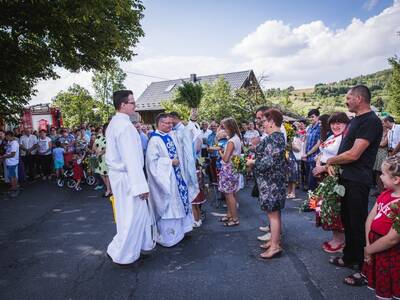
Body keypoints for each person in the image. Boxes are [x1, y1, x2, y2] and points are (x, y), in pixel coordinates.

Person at [314, 85, 383, 284]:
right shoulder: (356, 120)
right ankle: (351, 257)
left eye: (348, 97)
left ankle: (363, 269)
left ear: (359, 98)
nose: (346, 101)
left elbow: (354, 154)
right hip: (347, 178)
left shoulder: (371, 121)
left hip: (358, 179)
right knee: (348, 221)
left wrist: (330, 162)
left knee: (357, 223)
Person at [105, 90, 155, 265]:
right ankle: (123, 254)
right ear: (123, 105)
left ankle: (142, 245)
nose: (135, 105)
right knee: (132, 216)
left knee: (133, 214)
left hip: (121, 176)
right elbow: (131, 159)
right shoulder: (125, 127)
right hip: (128, 178)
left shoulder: (115, 123)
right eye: (132, 102)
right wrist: (141, 187)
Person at [146, 113, 193, 247]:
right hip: (167, 179)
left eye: (171, 123)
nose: (170, 125)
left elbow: (186, 137)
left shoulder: (171, 135)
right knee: (170, 206)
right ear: (159, 124)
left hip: (178, 177)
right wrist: (170, 162)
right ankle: (169, 238)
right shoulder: (154, 140)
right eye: (166, 123)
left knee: (180, 202)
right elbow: (152, 163)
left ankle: (182, 231)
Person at [358, 155, 400, 295]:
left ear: (396, 179)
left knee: (390, 286)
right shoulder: (385, 193)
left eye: (383, 174)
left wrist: (369, 250)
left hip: (389, 252)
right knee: (379, 283)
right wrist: (368, 245)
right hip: (374, 246)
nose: (380, 177)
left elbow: (392, 239)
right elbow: (370, 219)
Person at [247, 109, 286, 259]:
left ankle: (275, 246)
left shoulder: (274, 138)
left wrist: (253, 162)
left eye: (264, 121)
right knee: (274, 214)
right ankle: (274, 240)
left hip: (272, 182)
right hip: (271, 181)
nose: (262, 124)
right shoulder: (275, 137)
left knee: (273, 215)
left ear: (271, 122)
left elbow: (269, 161)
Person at [312, 112, 350, 253]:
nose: (336, 125)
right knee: (325, 208)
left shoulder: (345, 138)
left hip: (334, 177)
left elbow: (342, 159)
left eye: (339, 122)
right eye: (333, 123)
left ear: (346, 124)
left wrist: (323, 167)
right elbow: (323, 152)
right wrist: (318, 161)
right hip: (324, 177)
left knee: (334, 209)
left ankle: (340, 240)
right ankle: (336, 238)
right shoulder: (331, 137)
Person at [169, 112, 201, 227]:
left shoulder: (184, 130)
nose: (169, 123)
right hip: (181, 167)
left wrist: (190, 171)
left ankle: (196, 219)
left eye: (170, 120)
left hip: (186, 168)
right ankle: (190, 218)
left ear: (174, 118)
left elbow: (188, 152)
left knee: (190, 194)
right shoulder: (177, 130)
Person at [217, 117, 242, 227]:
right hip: (234, 168)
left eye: (224, 127)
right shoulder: (236, 138)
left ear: (229, 127)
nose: (223, 129)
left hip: (228, 169)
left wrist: (220, 152)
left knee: (229, 194)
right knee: (231, 193)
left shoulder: (231, 141)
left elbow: (226, 159)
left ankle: (235, 218)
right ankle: (229, 214)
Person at [302, 108, 321, 191]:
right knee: (309, 182)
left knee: (313, 182)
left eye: (312, 117)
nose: (311, 119)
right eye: (309, 117)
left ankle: (314, 203)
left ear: (318, 117)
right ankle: (311, 202)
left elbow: (318, 144)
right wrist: (304, 153)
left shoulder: (320, 128)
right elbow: (305, 140)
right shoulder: (309, 128)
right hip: (308, 158)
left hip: (315, 158)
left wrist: (308, 153)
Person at [93, 124, 112, 197]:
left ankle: (109, 190)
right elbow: (94, 144)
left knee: (106, 174)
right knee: (102, 174)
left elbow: (107, 147)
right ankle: (109, 189)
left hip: (106, 157)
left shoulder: (110, 137)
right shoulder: (100, 136)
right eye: (106, 128)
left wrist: (100, 153)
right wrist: (96, 151)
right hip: (100, 158)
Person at [0, 131, 20, 197]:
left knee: (12, 176)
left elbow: (12, 154)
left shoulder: (14, 143)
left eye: (7, 136)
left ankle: (15, 189)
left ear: (10, 136)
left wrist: (3, 156)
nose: (6, 137)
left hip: (13, 162)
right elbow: (8, 151)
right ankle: (13, 187)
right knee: (11, 175)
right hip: (9, 162)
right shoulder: (9, 142)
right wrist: (4, 156)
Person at [373, 119, 388, 195]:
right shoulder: (380, 132)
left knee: (383, 172)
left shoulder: (389, 132)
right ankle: (379, 190)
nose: (382, 124)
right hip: (378, 153)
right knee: (377, 173)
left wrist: (374, 143)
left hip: (383, 154)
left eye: (383, 123)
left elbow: (383, 144)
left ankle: (383, 192)